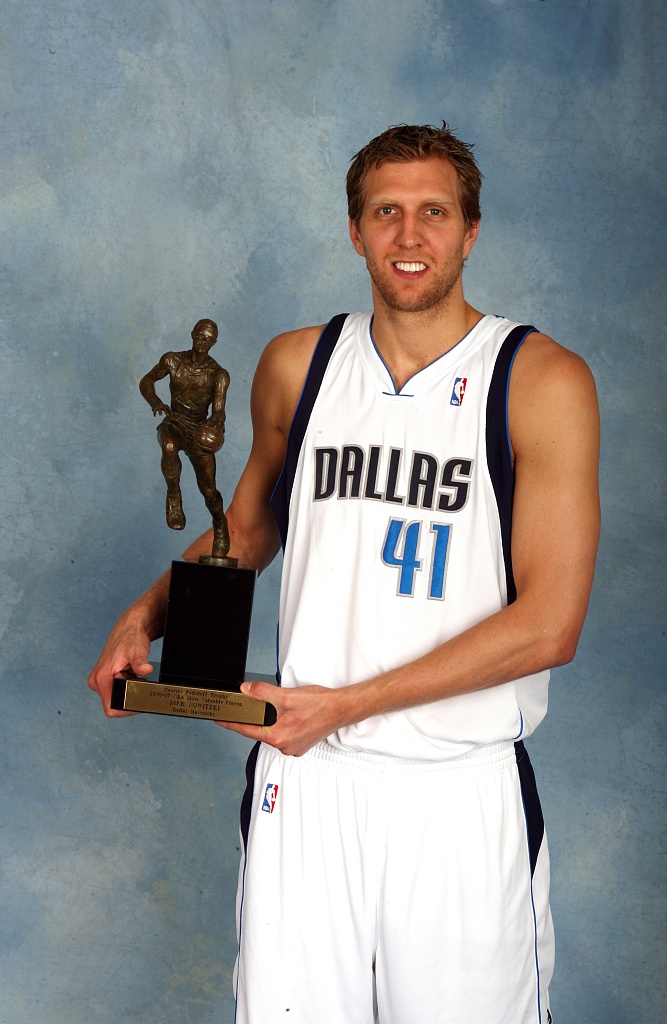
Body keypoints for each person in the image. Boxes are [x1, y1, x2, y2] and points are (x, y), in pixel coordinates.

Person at [88, 124, 600, 1023]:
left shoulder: (537, 380)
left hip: (453, 786)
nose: (409, 235)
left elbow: (550, 624)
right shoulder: (299, 365)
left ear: (471, 231)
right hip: (305, 779)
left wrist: (347, 704)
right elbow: (247, 527)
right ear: (355, 231)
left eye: (433, 212)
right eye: (386, 212)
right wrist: (144, 616)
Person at [139, 318, 231, 554]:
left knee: (209, 490)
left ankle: (220, 524)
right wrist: (155, 401)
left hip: (199, 430)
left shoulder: (218, 374)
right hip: (176, 422)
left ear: (214, 343)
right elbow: (147, 380)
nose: (203, 342)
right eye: (200, 336)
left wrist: (218, 420)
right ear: (192, 334)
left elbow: (219, 409)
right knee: (168, 445)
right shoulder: (172, 360)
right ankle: (174, 495)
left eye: (209, 339)